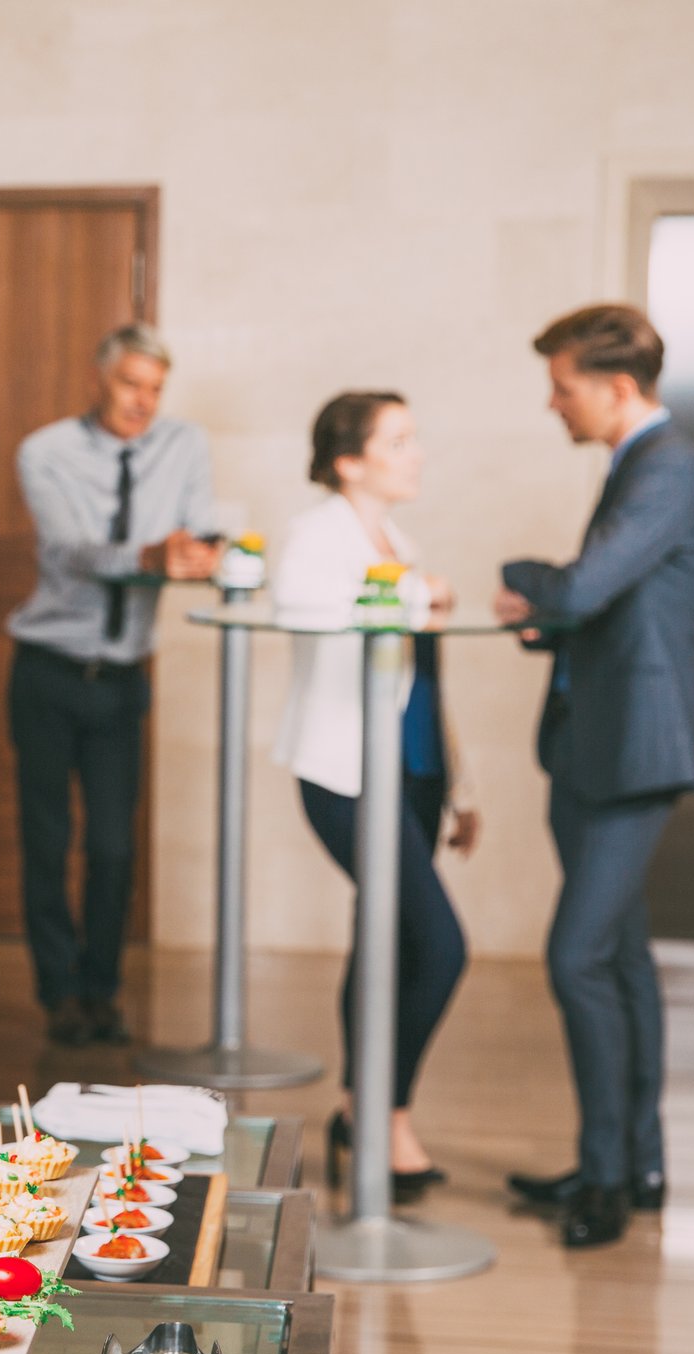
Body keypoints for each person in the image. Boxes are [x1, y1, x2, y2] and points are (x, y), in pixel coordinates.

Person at [495, 303, 694, 1250]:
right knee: (619, 959)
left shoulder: (668, 467)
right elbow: (613, 605)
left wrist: (524, 575)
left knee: (577, 958)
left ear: (617, 387)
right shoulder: (640, 466)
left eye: (564, 385)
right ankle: (634, 1162)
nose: (554, 404)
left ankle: (607, 1181)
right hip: (599, 745)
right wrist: (556, 615)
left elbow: (587, 587)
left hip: (633, 750)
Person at [272, 392, 480, 1201]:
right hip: (347, 775)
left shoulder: (400, 539)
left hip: (417, 771)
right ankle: (380, 1113)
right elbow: (299, 605)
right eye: (398, 441)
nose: (416, 453)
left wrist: (460, 786)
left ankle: (366, 1113)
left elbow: (424, 683)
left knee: (385, 941)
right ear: (348, 460)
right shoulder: (316, 536)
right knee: (440, 946)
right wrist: (417, 596)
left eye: (414, 438)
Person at [10, 323, 221, 1046]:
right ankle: (58, 995)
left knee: (113, 847)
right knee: (46, 840)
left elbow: (203, 525)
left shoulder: (183, 445)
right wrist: (155, 554)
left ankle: (102, 991)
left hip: (123, 679)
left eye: (156, 389)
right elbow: (71, 552)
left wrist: (206, 550)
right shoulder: (46, 452)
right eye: (132, 384)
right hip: (46, 668)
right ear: (102, 378)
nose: (144, 402)